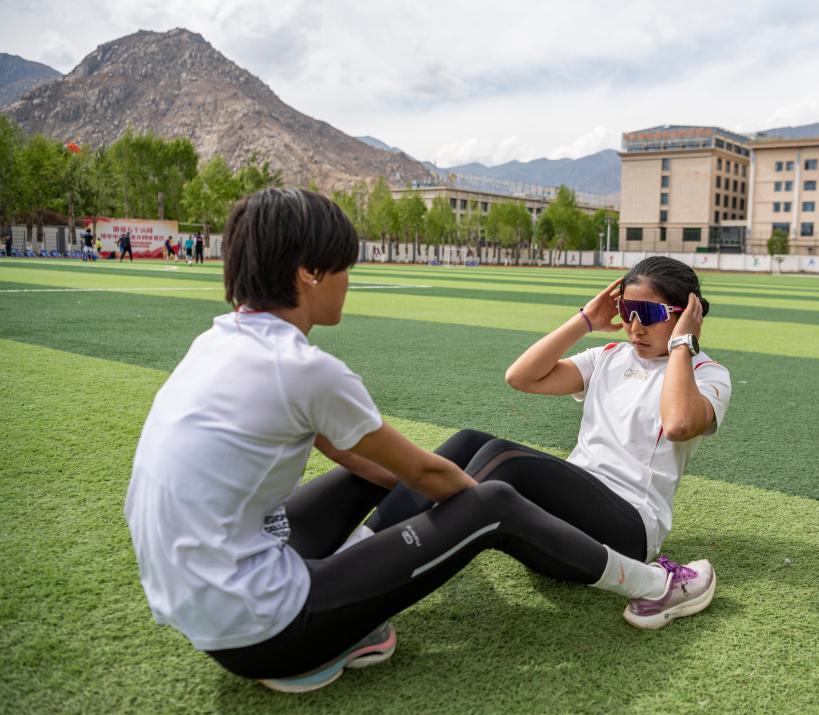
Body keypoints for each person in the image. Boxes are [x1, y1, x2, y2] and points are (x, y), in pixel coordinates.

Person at [125, 189, 705, 695]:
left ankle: (345, 603)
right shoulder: (303, 369)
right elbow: (428, 478)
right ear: (308, 273)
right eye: (345, 266)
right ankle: (660, 586)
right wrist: (473, 513)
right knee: (491, 501)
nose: (349, 280)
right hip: (265, 631)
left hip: (211, 606)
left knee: (433, 460)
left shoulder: (218, 343)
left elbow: (357, 458)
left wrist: (406, 531)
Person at [360, 256, 730, 595]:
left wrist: (683, 344)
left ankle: (381, 568)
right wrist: (586, 320)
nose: (634, 327)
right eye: (627, 310)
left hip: (627, 530)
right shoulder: (609, 356)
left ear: (686, 314)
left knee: (505, 461)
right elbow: (520, 377)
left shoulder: (706, 374)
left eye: (648, 313)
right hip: (566, 515)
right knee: (468, 442)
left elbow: (679, 424)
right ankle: (361, 546)